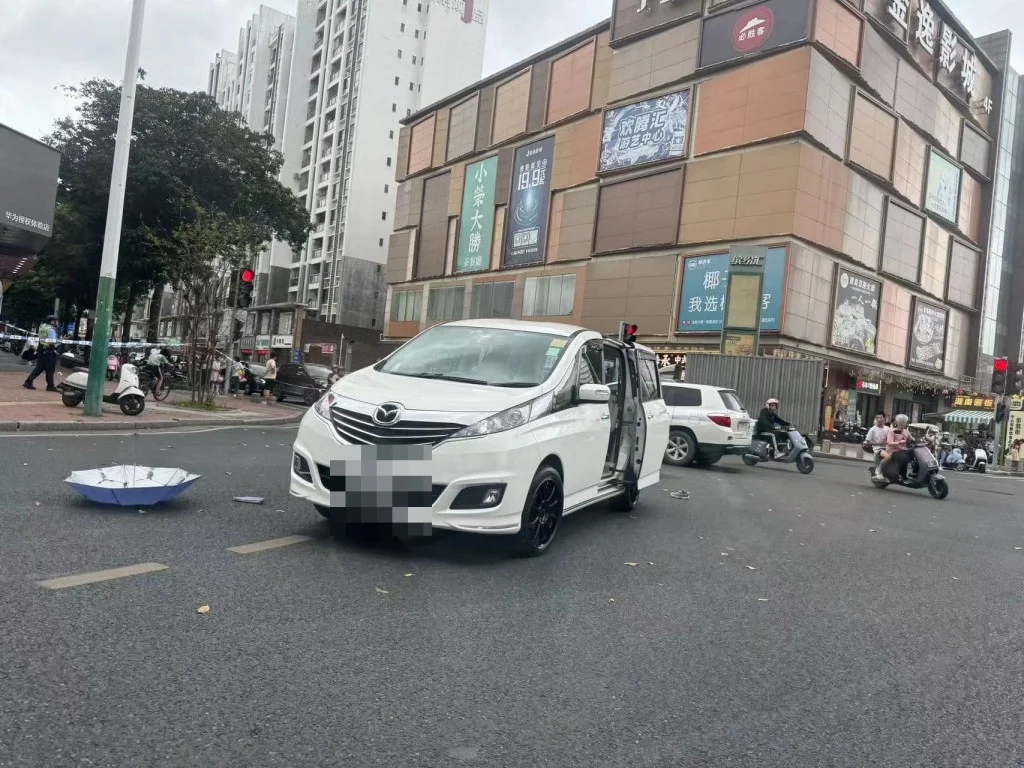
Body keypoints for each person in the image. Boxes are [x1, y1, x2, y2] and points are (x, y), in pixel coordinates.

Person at [23, 314, 60, 392]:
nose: (57, 322)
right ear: (51, 321)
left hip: (42, 351)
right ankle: (50, 386)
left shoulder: (43, 327)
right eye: (56, 321)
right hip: (49, 352)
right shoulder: (51, 330)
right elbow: (52, 342)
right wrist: (58, 343)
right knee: (50, 369)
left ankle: (28, 382)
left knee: (39, 368)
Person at [878, 414, 911, 481]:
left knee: (913, 455)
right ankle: (903, 476)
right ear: (898, 422)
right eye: (901, 422)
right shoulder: (892, 431)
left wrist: (922, 441)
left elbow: (911, 440)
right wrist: (899, 443)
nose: (903, 423)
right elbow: (889, 442)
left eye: (904, 422)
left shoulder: (906, 431)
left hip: (903, 450)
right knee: (904, 458)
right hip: (893, 451)